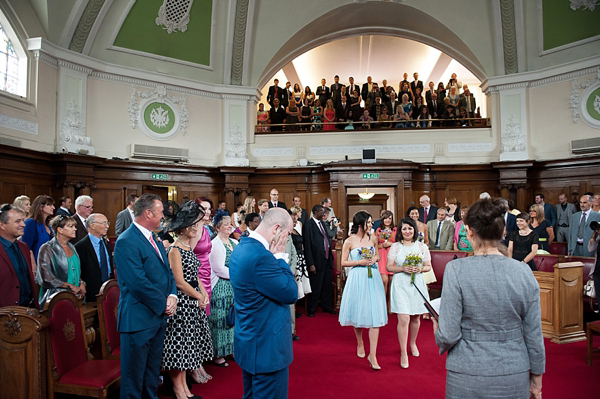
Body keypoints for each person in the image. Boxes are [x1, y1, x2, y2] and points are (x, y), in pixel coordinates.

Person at [433, 198, 545, 399]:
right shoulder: (523, 271)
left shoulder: (456, 269)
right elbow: (534, 332)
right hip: (513, 369)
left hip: (468, 369)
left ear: (469, 232)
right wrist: (537, 378)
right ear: (503, 232)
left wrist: (438, 330)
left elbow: (448, 335)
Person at [229, 208, 297, 399]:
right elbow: (290, 293)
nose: (287, 238)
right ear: (277, 228)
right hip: (267, 347)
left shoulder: (241, 246)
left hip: (250, 340)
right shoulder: (262, 257)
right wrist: (281, 258)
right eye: (287, 233)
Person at [114, 193, 177, 399]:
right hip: (138, 320)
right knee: (134, 380)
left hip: (156, 318)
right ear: (148, 213)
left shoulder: (154, 237)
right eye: (160, 213)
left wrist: (172, 296)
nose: (163, 217)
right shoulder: (126, 241)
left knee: (151, 375)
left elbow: (167, 272)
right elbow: (137, 283)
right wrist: (164, 304)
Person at [161, 200, 213, 396]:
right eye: (192, 226)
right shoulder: (174, 249)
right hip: (181, 305)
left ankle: (185, 390)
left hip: (192, 304)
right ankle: (179, 390)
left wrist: (204, 293)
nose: (195, 229)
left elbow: (195, 275)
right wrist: (199, 295)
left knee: (188, 351)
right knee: (179, 351)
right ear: (181, 229)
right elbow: (179, 281)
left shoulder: (187, 247)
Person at [338, 211, 387, 370]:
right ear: (361, 224)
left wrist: (375, 259)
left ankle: (372, 355)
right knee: (358, 311)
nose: (372, 225)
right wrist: (359, 262)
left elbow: (378, 255)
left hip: (373, 276)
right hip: (357, 277)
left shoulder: (373, 238)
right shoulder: (349, 241)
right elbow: (343, 263)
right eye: (370, 222)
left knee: (375, 313)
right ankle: (360, 342)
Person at [386, 217, 432, 369]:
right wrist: (402, 268)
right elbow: (389, 267)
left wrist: (419, 269)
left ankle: (412, 343)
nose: (407, 231)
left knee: (415, 317)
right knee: (404, 318)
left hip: (416, 283)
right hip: (400, 284)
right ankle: (403, 352)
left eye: (410, 228)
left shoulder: (422, 247)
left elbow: (428, 266)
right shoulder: (395, 247)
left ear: (414, 230)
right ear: (400, 231)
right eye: (404, 229)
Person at [36, 215, 85, 308]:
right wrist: (70, 287)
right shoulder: (47, 248)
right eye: (71, 226)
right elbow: (46, 278)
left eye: (74, 226)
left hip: (76, 298)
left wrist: (82, 283)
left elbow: (75, 271)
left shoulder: (72, 246)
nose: (75, 229)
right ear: (60, 230)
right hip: (55, 299)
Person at [208, 215, 237, 367]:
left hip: (234, 286)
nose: (229, 226)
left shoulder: (235, 242)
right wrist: (239, 274)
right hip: (221, 286)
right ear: (218, 228)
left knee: (233, 319)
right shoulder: (215, 244)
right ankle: (218, 354)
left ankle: (231, 349)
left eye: (230, 224)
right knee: (221, 320)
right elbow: (219, 269)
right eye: (225, 224)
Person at [0, 204, 37, 308]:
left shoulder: (24, 247)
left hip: (28, 310)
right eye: (18, 221)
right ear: (2, 225)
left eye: (23, 220)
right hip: (6, 315)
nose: (23, 224)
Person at [303, 204, 336, 317]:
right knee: (316, 286)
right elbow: (307, 245)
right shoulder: (308, 225)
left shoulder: (323, 223)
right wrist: (311, 263)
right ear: (315, 212)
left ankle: (327, 307)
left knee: (327, 285)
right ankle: (311, 309)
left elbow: (327, 238)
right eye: (322, 211)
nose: (324, 214)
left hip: (327, 259)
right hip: (316, 261)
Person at [75, 213, 114, 303]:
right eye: (104, 223)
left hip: (108, 286)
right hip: (91, 291)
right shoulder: (81, 247)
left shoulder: (105, 242)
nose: (107, 226)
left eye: (107, 223)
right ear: (92, 225)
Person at [190, 197, 216, 319]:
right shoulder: (196, 228)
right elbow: (188, 255)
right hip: (197, 274)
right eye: (204, 208)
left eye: (209, 209)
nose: (208, 211)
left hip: (206, 273)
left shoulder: (204, 228)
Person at [22, 195, 55, 261]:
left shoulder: (49, 224)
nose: (53, 208)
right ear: (40, 207)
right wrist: (33, 264)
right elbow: (26, 247)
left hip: (49, 261)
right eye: (49, 205)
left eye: (53, 205)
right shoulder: (31, 223)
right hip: (36, 262)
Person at [289, 206, 311, 302]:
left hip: (300, 255)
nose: (295, 222)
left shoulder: (298, 227)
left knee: (301, 281)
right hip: (294, 257)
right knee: (296, 280)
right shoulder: (289, 233)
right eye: (293, 220)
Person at [375, 210, 396, 297]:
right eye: (385, 218)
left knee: (392, 281)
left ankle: (390, 305)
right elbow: (375, 245)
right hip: (382, 255)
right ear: (382, 219)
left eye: (390, 218)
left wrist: (391, 244)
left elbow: (400, 243)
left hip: (392, 255)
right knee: (384, 280)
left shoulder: (395, 230)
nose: (387, 220)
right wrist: (382, 245)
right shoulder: (378, 230)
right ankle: (382, 304)